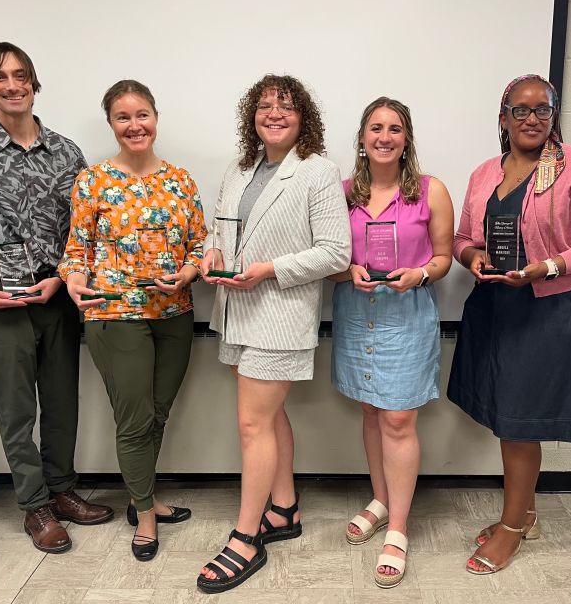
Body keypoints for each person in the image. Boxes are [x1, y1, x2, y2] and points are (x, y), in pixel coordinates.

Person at [448, 74, 571, 575]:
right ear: (502, 118)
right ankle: (524, 514)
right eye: (519, 110)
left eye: (541, 110)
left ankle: (510, 529)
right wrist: (471, 256)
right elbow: (464, 236)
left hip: (548, 309)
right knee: (508, 415)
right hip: (495, 305)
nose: (531, 120)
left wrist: (548, 267)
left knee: (521, 424)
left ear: (554, 115)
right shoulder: (486, 172)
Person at [0, 42, 114, 553]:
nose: (12, 84)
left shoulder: (66, 152)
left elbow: (83, 233)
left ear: (34, 83)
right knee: (16, 407)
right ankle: (34, 506)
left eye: (21, 75)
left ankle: (63, 491)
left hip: (57, 291)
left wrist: (63, 279)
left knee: (62, 400)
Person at [196, 74, 351, 593]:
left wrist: (268, 269)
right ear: (252, 117)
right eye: (264, 106)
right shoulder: (241, 170)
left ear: (303, 116)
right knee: (268, 416)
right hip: (237, 310)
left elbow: (336, 252)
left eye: (285, 106)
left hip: (280, 314)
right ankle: (283, 510)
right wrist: (213, 253)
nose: (274, 113)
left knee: (251, 426)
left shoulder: (319, 172)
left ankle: (246, 536)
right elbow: (219, 229)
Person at [58, 80, 206, 561]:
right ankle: (143, 514)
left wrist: (187, 270)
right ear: (111, 124)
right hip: (116, 314)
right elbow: (76, 250)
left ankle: (143, 495)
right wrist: (73, 278)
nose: (134, 125)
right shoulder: (93, 181)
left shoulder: (181, 180)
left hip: (174, 312)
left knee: (158, 412)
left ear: (156, 118)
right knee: (135, 419)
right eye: (123, 117)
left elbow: (199, 246)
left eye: (142, 114)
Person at [329, 97, 454, 588]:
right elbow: (329, 260)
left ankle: (398, 528)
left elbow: (444, 257)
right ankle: (380, 501)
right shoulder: (341, 194)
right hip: (357, 315)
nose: (384, 136)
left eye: (395, 128)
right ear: (362, 137)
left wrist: (420, 274)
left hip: (407, 314)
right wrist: (347, 271)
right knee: (369, 409)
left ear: (407, 138)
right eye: (375, 128)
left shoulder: (430, 190)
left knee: (398, 418)